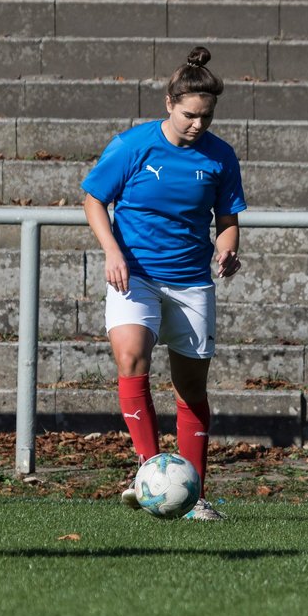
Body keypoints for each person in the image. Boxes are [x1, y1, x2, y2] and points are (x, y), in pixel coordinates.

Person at [81, 46, 246, 521]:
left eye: (206, 117)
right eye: (190, 115)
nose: (198, 125)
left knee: (190, 386)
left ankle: (194, 496)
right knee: (132, 359)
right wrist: (113, 252)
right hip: (136, 275)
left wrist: (228, 246)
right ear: (169, 104)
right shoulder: (132, 146)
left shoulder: (220, 157)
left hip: (192, 281)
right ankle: (149, 474)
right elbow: (94, 198)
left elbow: (227, 218)